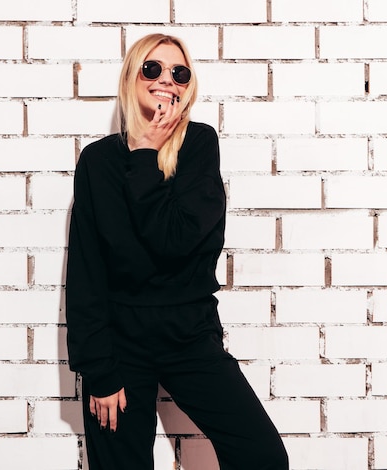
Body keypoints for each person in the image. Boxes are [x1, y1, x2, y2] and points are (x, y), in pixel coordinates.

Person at [65, 33, 289, 470]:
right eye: (153, 68)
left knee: (261, 455)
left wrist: (147, 152)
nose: (166, 79)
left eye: (179, 73)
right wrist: (98, 370)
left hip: (189, 335)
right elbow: (87, 271)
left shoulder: (199, 145)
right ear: (132, 77)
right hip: (119, 343)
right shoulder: (98, 161)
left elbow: (176, 243)